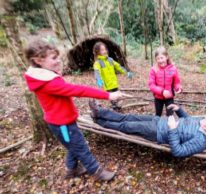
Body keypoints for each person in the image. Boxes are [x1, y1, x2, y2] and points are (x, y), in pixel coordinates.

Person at [23, 39, 129, 182]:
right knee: (80, 147)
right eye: (53, 58)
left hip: (64, 122)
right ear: (38, 60)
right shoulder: (48, 83)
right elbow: (78, 90)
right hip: (63, 125)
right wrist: (108, 95)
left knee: (73, 146)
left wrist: (56, 72)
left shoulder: (44, 77)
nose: (58, 60)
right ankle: (96, 172)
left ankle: (72, 169)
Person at [89, 101, 206, 158]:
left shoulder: (200, 141)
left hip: (157, 132)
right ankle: (100, 112)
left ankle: (100, 121)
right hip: (159, 121)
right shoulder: (201, 122)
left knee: (126, 126)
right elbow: (188, 120)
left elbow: (178, 152)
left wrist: (173, 129)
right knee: (129, 117)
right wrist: (179, 110)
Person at [93, 41, 133, 110]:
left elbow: (118, 67)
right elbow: (97, 72)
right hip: (107, 85)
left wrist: (127, 73)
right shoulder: (98, 63)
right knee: (113, 99)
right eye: (102, 50)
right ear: (97, 52)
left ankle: (116, 107)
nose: (105, 51)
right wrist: (98, 79)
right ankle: (115, 108)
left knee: (117, 97)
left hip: (114, 83)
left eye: (105, 49)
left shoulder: (110, 60)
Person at [148, 46, 182, 117]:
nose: (160, 60)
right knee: (158, 115)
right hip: (158, 97)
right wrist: (162, 91)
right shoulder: (153, 69)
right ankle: (156, 127)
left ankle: (170, 127)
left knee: (170, 115)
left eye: (162, 58)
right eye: (158, 59)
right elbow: (151, 85)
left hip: (169, 97)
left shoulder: (173, 68)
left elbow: (176, 82)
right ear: (156, 59)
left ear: (166, 57)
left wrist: (178, 88)